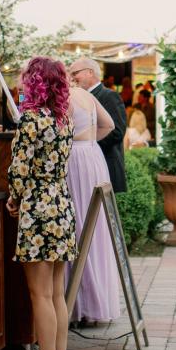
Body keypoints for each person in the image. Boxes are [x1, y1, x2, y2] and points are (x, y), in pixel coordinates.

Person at [6, 57, 77, 350]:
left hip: (37, 208)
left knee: (39, 295)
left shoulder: (30, 120)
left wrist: (13, 198)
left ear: (34, 82)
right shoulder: (64, 119)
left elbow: (19, 171)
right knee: (57, 295)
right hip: (62, 205)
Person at [64, 78, 121, 325]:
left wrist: (75, 145)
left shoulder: (63, 97)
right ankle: (96, 303)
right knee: (95, 229)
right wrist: (89, 143)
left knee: (76, 227)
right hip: (93, 157)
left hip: (74, 159)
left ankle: (76, 304)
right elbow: (109, 124)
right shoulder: (87, 95)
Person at [68, 58, 127, 194]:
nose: (72, 78)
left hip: (105, 165)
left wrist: (87, 146)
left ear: (90, 72)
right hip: (84, 168)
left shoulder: (109, 96)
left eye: (75, 73)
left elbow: (117, 132)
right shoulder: (76, 97)